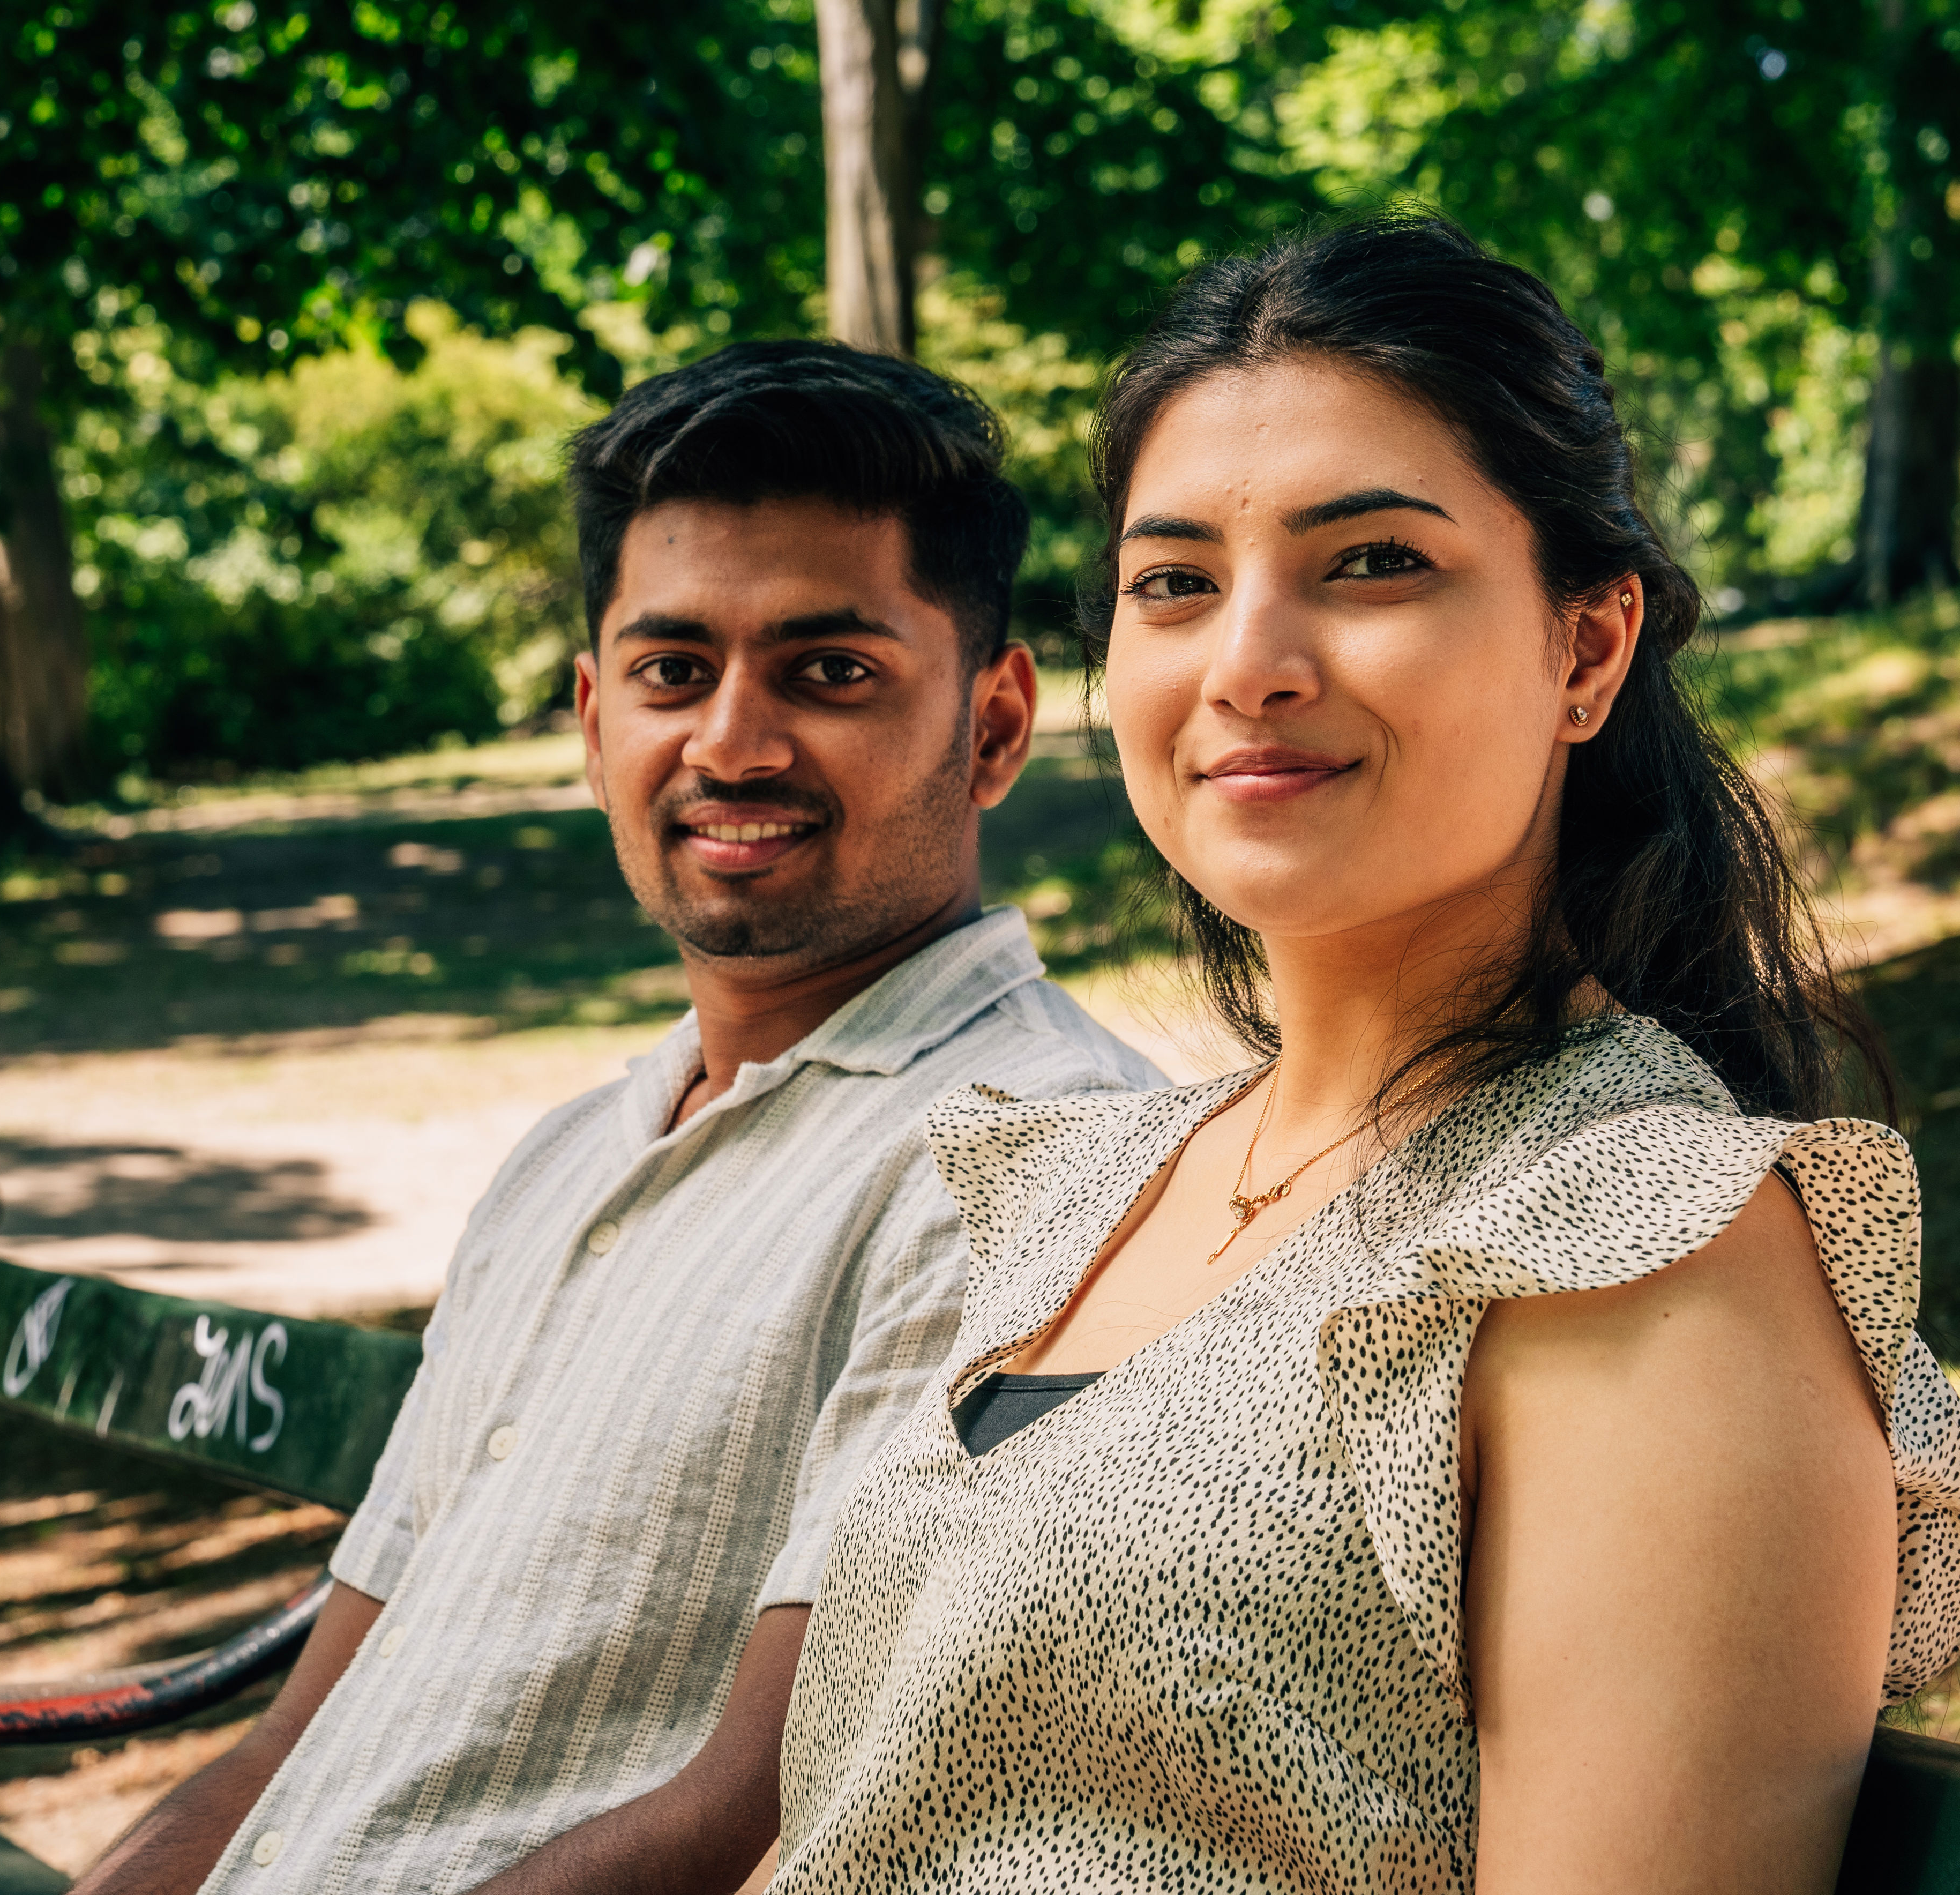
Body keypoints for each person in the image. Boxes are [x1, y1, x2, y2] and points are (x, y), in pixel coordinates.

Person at [772, 217, 1960, 1893]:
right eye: (1175, 584)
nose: (1248, 665)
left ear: (1585, 649)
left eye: (1373, 563)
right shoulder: (1088, 1186)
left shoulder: (1642, 1246)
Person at [72, 341, 1162, 1895]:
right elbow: (293, 1745)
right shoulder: (568, 1158)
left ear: (992, 728)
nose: (732, 743)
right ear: (594, 723)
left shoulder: (1036, 1157)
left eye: (830, 671)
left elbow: (774, 1808)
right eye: (672, 673)